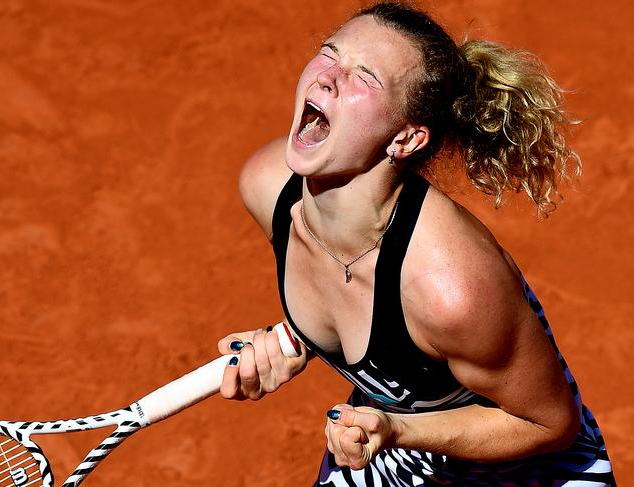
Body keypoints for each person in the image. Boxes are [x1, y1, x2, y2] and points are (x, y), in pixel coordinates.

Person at [217, 2, 615, 485]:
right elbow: (353, 301)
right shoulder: (266, 188)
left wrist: (395, 427)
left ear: (405, 140)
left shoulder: (452, 288)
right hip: (395, 445)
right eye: (329, 53)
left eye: (365, 77)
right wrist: (289, 344)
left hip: (526, 466)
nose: (327, 78)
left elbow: (549, 422)